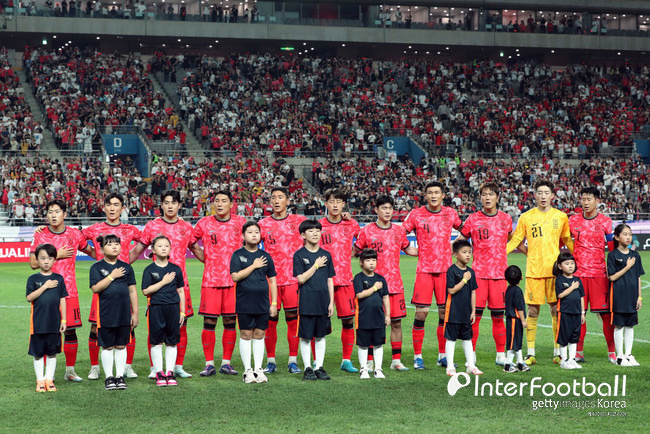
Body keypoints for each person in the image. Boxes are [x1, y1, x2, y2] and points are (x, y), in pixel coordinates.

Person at [130, 190, 203, 379]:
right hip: (157, 286)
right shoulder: (152, 226)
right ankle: (156, 368)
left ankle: (177, 366)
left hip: (180, 286)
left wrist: (217, 264)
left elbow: (196, 250)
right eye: (166, 202)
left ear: (179, 205)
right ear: (161, 205)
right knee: (155, 328)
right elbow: (137, 250)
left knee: (182, 324)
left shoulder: (187, 227)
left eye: (174, 202)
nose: (170, 206)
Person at [506, 180, 574, 365]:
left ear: (552, 195)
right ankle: (531, 353)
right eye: (540, 193)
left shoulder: (561, 217)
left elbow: (567, 240)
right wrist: (501, 252)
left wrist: (580, 256)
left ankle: (557, 351)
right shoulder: (526, 217)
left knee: (555, 310)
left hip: (554, 272)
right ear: (534, 195)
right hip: (534, 270)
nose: (543, 196)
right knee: (533, 311)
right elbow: (516, 239)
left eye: (546, 193)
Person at [30, 199, 95, 382]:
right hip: (45, 292)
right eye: (50, 211)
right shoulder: (40, 235)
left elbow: (91, 251)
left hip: (69, 291)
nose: (53, 215)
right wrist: (57, 254)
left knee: (70, 331)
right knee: (45, 331)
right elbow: (33, 263)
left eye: (57, 211)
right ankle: (43, 375)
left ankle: (70, 371)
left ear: (64, 214)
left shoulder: (75, 234)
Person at [460, 182, 523, 366]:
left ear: (497, 197)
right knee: (474, 317)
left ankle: (500, 354)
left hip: (499, 276)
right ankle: (471, 355)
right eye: (484, 195)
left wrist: (528, 251)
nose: (487, 198)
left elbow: (514, 240)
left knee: (498, 317)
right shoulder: (472, 219)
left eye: (490, 194)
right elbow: (461, 241)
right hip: (478, 275)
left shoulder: (505, 219)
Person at [403, 181, 463, 369]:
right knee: (422, 313)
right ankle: (417, 356)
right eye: (430, 193)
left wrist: (454, 247)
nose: (434, 195)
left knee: (444, 314)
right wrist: (409, 249)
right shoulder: (416, 214)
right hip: (425, 271)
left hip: (446, 270)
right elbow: (400, 233)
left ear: (443, 195)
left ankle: (442, 355)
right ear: (426, 195)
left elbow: (466, 231)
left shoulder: (450, 213)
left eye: (437, 192)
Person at [354, 195, 417, 372]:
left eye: (390, 208)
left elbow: (409, 249)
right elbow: (356, 250)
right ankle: (370, 361)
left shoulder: (399, 231)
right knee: (371, 323)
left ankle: (396, 360)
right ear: (376, 210)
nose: (387, 211)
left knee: (396, 323)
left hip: (394, 284)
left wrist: (430, 252)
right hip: (371, 286)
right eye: (384, 208)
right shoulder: (366, 231)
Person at [82, 193, 141, 380]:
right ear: (104, 208)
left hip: (124, 286)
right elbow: (77, 240)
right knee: (95, 327)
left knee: (128, 327)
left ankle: (127, 367)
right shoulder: (95, 229)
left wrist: (131, 256)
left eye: (117, 204)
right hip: (103, 284)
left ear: (122, 208)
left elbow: (148, 239)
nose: (113, 208)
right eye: (109, 204)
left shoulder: (130, 229)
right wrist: (96, 254)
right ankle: (94, 367)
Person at [193, 191, 246, 377]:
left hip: (234, 281)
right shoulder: (204, 223)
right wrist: (206, 259)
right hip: (211, 280)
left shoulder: (241, 223)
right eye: (217, 201)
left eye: (224, 201)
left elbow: (257, 236)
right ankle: (208, 364)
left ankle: (226, 363)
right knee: (209, 321)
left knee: (231, 321)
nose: (220, 204)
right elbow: (191, 242)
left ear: (232, 204)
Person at [258, 187, 306, 374]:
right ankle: (271, 361)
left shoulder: (299, 221)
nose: (276, 201)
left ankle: (293, 360)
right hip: (271, 281)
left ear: (288, 200)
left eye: (280, 197)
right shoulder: (263, 224)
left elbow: (321, 230)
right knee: (271, 321)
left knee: (293, 321)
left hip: (295, 280)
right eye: (273, 198)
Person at [569, 187, 616, 363]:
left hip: (599, 275)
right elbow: (563, 242)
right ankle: (578, 352)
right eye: (583, 199)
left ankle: (612, 352)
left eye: (589, 199)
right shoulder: (573, 221)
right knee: (578, 315)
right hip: (578, 275)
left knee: (605, 315)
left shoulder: (605, 221)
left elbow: (612, 249)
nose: (586, 202)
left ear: (597, 201)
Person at [319, 188, 361, 373]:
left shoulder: (351, 225)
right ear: (326, 203)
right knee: (318, 322)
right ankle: (317, 362)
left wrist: (351, 254)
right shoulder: (318, 226)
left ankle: (346, 360)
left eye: (339, 201)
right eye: (331, 201)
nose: (335, 205)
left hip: (345, 280)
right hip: (322, 281)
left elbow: (363, 242)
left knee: (348, 321)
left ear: (343, 204)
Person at [89, 235, 139, 390]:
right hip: (105, 314)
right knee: (108, 346)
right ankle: (109, 377)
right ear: (102, 249)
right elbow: (95, 288)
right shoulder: (96, 267)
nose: (114, 247)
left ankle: (119, 376)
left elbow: (132, 291)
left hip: (124, 314)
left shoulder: (127, 268)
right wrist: (111, 276)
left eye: (117, 244)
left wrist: (135, 313)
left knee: (121, 345)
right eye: (110, 244)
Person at [230, 221, 278, 383]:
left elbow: (272, 281)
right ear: (243, 236)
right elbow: (235, 276)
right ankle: (247, 371)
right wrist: (253, 266)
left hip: (263, 302)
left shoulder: (266, 256)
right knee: (246, 334)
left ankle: (258, 369)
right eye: (250, 232)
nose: (254, 235)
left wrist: (274, 303)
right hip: (244, 302)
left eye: (256, 232)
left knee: (259, 335)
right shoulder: (238, 255)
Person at [293, 219, 335, 381]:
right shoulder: (299, 255)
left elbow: (330, 279)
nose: (315, 233)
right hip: (306, 302)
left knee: (320, 335)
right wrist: (316, 265)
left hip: (323, 301)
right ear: (303, 234)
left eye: (318, 230)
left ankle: (319, 367)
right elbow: (301, 279)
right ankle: (307, 368)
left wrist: (331, 302)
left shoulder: (326, 255)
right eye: (311, 230)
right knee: (306, 336)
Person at [141, 235, 185, 387]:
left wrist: (182, 312)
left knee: (172, 342)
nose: (163, 248)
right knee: (156, 342)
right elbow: (145, 291)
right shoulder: (149, 270)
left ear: (170, 249)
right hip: (156, 308)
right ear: (153, 250)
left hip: (173, 308)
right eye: (160, 246)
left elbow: (181, 291)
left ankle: (170, 372)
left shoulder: (175, 269)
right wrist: (163, 282)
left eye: (166, 245)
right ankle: (159, 372)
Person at [27, 243, 68, 392]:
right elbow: (29, 297)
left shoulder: (59, 278)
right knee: (38, 353)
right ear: (37, 260)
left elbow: (63, 299)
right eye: (42, 258)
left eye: (50, 258)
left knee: (52, 352)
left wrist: (63, 320)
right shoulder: (33, 279)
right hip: (38, 324)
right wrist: (44, 286)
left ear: (54, 260)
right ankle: (40, 380)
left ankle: (49, 380)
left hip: (54, 323)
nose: (46, 261)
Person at [607, 224, 644, 367]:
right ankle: (620, 357)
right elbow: (612, 278)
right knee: (620, 326)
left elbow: (638, 277)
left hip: (632, 297)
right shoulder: (613, 255)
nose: (628, 237)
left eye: (630, 234)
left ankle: (628, 355)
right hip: (618, 297)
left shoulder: (635, 255)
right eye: (625, 234)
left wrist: (639, 297)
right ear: (617, 237)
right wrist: (627, 267)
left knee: (630, 326)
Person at [444, 240, 482, 376]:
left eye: (469, 252)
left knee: (467, 338)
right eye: (464, 252)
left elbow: (473, 292)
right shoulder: (451, 270)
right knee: (451, 338)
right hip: (453, 311)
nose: (468, 255)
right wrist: (464, 280)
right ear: (455, 254)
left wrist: (473, 311)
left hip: (466, 312)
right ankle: (450, 366)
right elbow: (451, 290)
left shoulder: (471, 271)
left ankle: (470, 365)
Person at [354, 249, 390, 379]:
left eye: (374, 260)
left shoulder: (381, 279)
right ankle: (363, 369)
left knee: (378, 344)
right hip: (363, 317)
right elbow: (359, 295)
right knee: (363, 344)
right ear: (361, 263)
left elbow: (385, 297)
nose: (371, 263)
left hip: (378, 317)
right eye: (368, 260)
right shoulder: (358, 278)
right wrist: (374, 288)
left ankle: (378, 369)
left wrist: (388, 315)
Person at [553, 252, 585, 370]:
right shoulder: (560, 280)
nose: (571, 266)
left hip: (576, 313)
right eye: (567, 264)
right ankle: (564, 360)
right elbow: (560, 295)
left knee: (574, 337)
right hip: (565, 313)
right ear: (560, 266)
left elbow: (582, 297)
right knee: (564, 336)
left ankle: (572, 359)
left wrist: (582, 312)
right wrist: (571, 287)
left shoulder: (578, 280)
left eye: (572, 263)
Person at [503, 265, 530, 373]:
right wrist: (523, 320)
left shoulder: (509, 289)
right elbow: (519, 307)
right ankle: (508, 364)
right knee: (513, 343)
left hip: (513, 319)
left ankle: (520, 363)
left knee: (517, 342)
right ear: (521, 278)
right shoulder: (517, 291)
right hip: (515, 319)